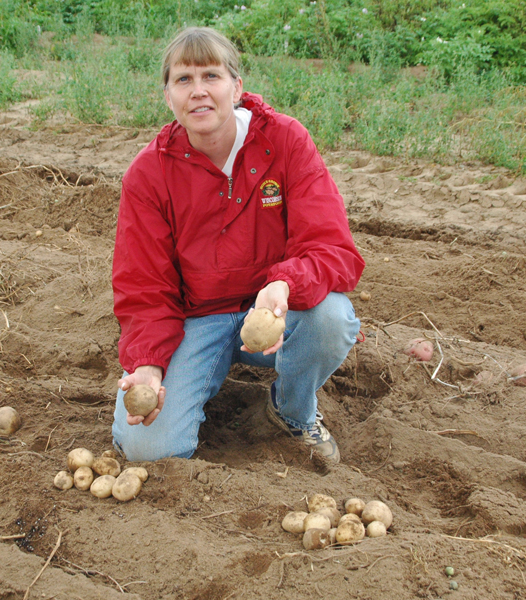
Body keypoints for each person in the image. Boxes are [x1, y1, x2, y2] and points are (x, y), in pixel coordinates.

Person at [111, 27, 365, 463]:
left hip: (276, 315)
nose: (199, 91)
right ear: (167, 95)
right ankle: (193, 377)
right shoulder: (148, 174)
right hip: (197, 319)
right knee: (147, 449)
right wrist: (149, 365)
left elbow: (332, 248)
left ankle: (292, 410)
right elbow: (143, 286)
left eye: (211, 76)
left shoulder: (284, 142)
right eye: (183, 80)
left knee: (332, 318)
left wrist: (283, 283)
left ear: (237, 87)